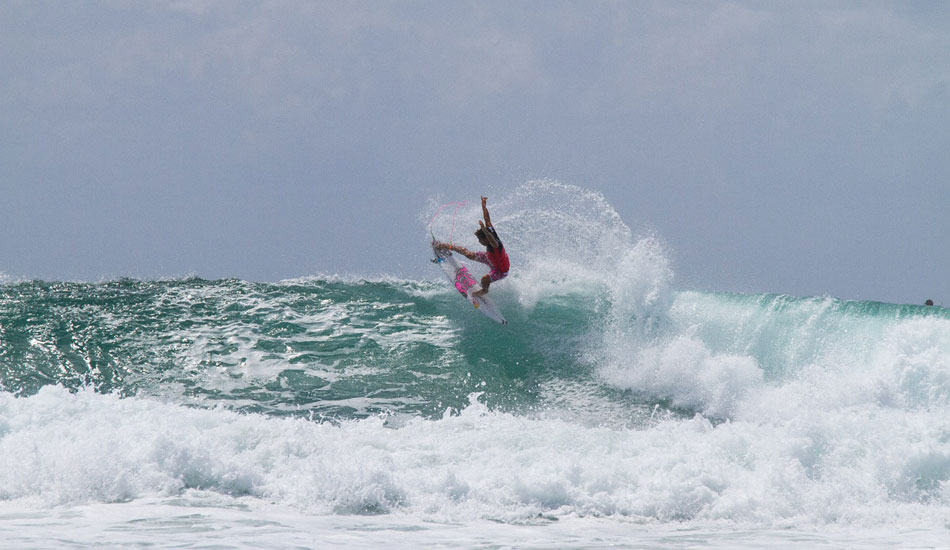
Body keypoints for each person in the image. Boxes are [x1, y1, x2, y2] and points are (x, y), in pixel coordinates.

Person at [434, 196, 510, 297]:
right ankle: (444, 246)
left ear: (486, 238)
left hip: (500, 270)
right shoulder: (490, 231)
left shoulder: (495, 243)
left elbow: (493, 242)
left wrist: (484, 230)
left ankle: (484, 291)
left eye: (480, 240)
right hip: (490, 258)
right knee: (468, 253)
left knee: (484, 279)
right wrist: (483, 206)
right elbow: (487, 218)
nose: (479, 242)